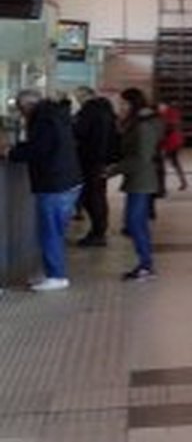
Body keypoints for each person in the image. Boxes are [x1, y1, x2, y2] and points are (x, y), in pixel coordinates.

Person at [4, 90, 82, 291]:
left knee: (51, 232)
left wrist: (10, 153)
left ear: (27, 106)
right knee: (55, 232)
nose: (22, 115)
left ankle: (56, 275)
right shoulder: (55, 115)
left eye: (21, 110)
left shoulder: (43, 120)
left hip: (54, 184)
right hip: (68, 181)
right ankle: (51, 271)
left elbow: (39, 150)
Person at [109, 88, 163, 281]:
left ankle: (146, 264)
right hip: (137, 179)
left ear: (133, 104)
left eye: (124, 103)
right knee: (136, 222)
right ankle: (145, 263)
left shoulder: (143, 126)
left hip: (142, 180)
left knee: (135, 222)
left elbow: (141, 157)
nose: (121, 107)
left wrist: (112, 170)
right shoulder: (137, 124)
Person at [72, 87, 119, 247]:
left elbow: (79, 132)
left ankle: (98, 233)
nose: (77, 100)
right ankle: (99, 231)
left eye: (78, 96)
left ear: (86, 96)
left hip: (89, 159)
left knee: (91, 197)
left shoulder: (88, 112)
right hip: (101, 160)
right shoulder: (107, 111)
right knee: (98, 195)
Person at [158, 102, 188, 191]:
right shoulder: (170, 113)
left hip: (172, 143)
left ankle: (162, 186)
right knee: (174, 163)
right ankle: (183, 182)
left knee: (163, 164)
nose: (160, 108)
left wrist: (162, 136)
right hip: (173, 142)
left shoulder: (170, 113)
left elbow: (171, 127)